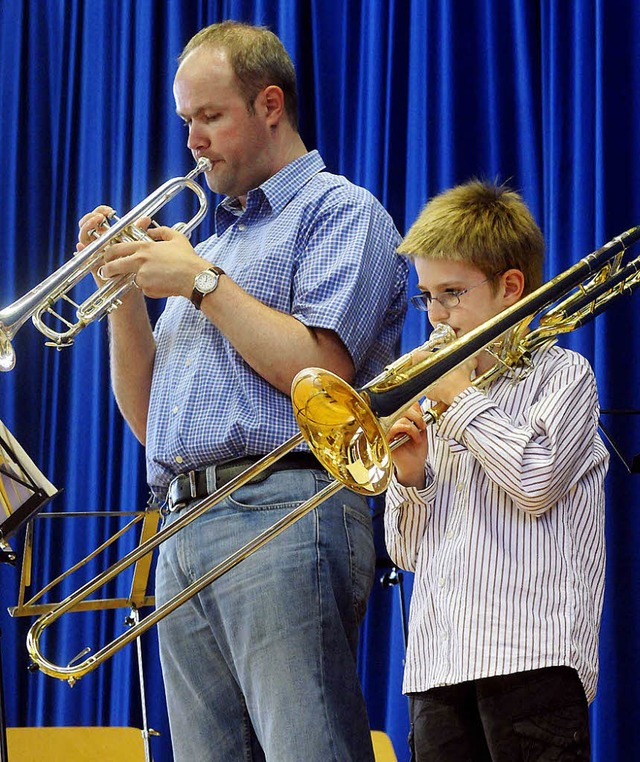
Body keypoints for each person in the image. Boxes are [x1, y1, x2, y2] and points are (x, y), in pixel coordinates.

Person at [76, 20, 408, 762]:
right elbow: (149, 420)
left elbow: (321, 377)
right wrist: (125, 294)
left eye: (209, 116)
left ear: (269, 105)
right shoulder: (212, 243)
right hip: (181, 524)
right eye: (185, 120)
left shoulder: (340, 211)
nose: (192, 141)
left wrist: (198, 284)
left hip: (285, 508)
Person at [384, 180, 608, 761]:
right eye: (426, 297)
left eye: (452, 293)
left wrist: (461, 401)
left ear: (511, 288)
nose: (436, 316)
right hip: (436, 664)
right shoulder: (437, 398)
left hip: (533, 657)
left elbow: (536, 483)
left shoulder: (564, 376)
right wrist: (412, 478)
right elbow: (405, 552)